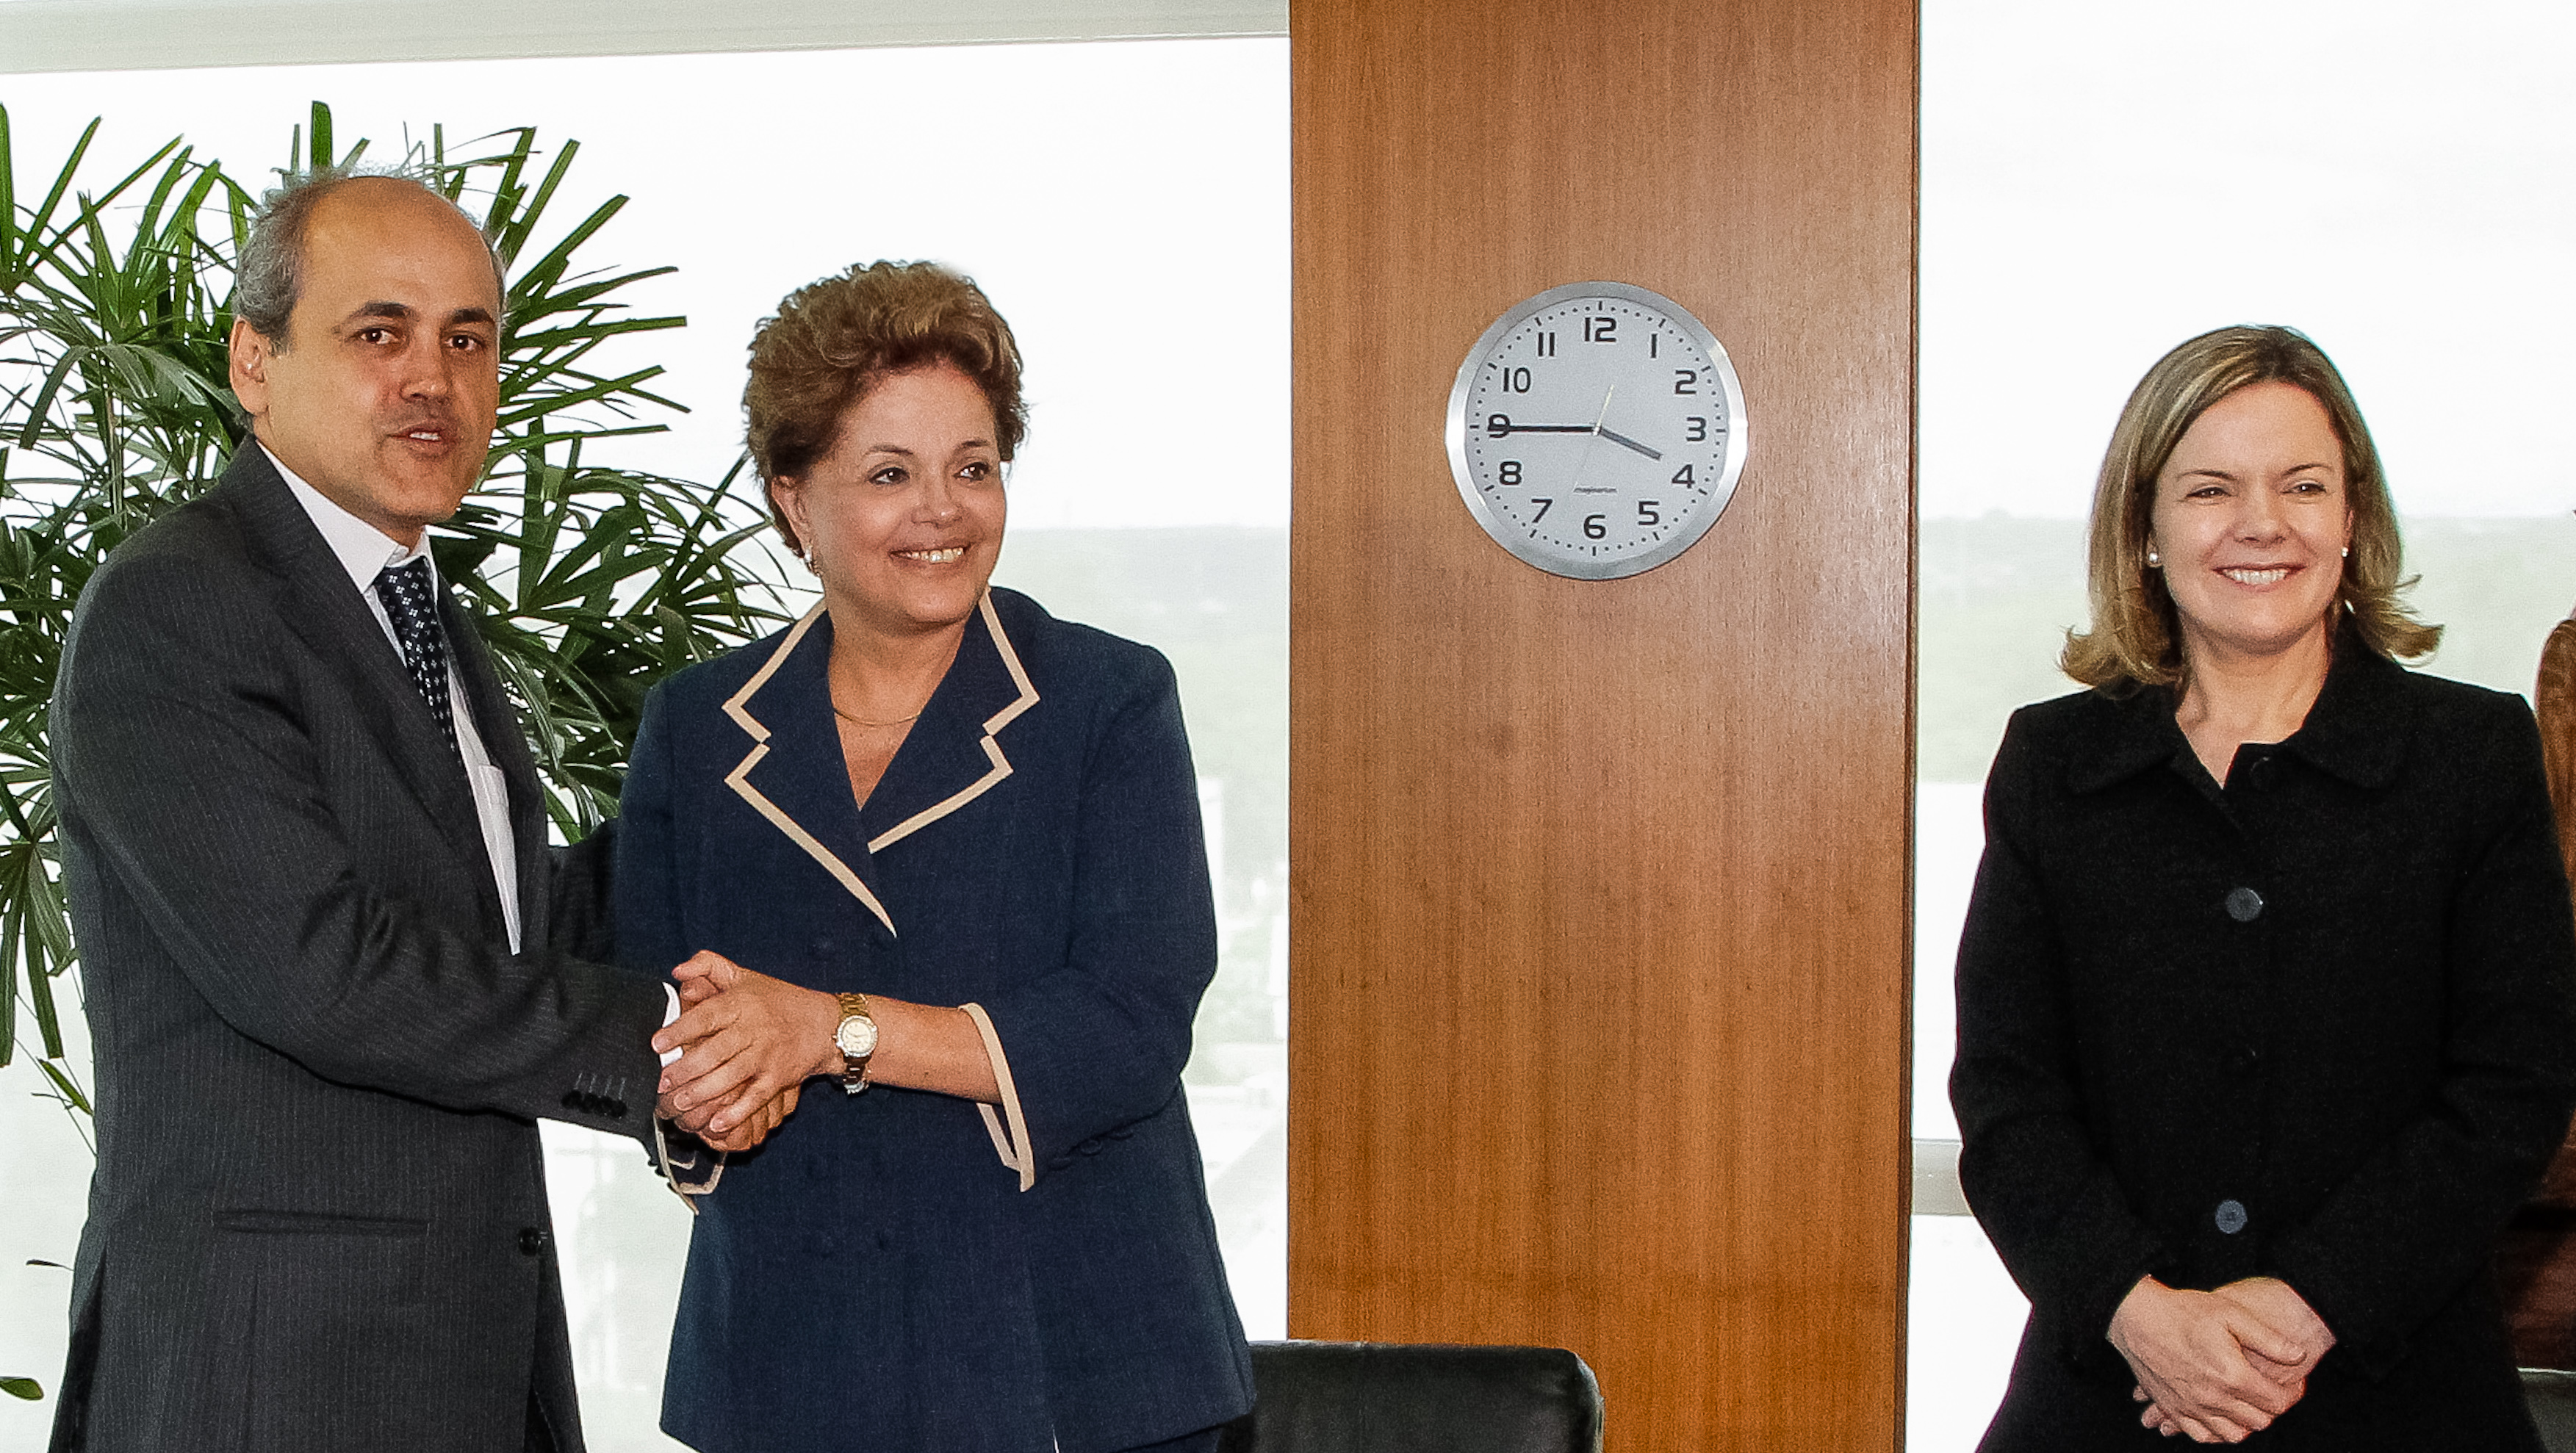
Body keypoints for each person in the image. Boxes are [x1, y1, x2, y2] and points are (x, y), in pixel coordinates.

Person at [46, 170, 780, 1453]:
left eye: (468, 338)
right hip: (269, 1379)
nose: (433, 377)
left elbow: (498, 918)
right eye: (378, 332)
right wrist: (667, 1037)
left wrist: (766, 807)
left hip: (463, 1359)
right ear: (253, 360)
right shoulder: (179, 605)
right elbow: (321, 966)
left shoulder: (416, 609)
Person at [617, 260, 1253, 1453]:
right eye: (890, 474)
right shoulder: (698, 728)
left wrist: (829, 1028)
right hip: (791, 1354)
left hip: (1072, 1356)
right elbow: (653, 1011)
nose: (944, 511)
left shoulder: (1106, 700)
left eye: (973, 467)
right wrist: (706, 1100)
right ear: (793, 499)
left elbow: (1129, 1022)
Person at [1949, 324, 2576, 1448]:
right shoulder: (2054, 765)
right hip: (2109, 1388)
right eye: (2207, 488)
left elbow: (2509, 1090)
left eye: (2302, 484)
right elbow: (2006, 1104)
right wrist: (2143, 1316)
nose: (2261, 523)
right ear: (2143, 528)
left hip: (2401, 1397)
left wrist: (2300, 1307)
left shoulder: (2471, 754)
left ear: (2353, 519)